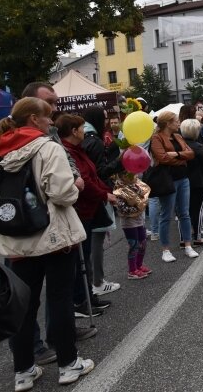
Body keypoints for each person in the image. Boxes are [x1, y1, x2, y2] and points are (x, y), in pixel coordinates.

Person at [0, 98, 95, 389]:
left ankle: (23, 372)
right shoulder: (47, 148)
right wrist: (75, 186)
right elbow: (63, 194)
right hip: (53, 237)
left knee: (23, 307)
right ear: (33, 119)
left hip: (17, 238)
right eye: (48, 117)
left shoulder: (1, 150)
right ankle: (68, 364)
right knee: (60, 299)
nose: (52, 122)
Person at [56, 114, 117, 319]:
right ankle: (81, 300)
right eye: (82, 128)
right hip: (80, 211)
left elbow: (92, 177)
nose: (85, 131)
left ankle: (87, 296)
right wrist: (104, 194)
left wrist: (105, 191)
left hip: (89, 210)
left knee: (85, 256)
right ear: (74, 131)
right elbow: (85, 183)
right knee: (80, 259)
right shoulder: (67, 151)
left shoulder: (78, 149)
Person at [81, 106, 123, 298]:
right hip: (97, 195)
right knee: (96, 240)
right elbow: (99, 172)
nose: (107, 122)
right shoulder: (95, 142)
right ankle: (97, 281)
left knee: (91, 242)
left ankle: (92, 282)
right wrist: (119, 161)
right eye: (105, 118)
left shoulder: (83, 138)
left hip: (87, 195)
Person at [149, 111, 198, 262]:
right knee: (166, 215)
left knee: (184, 213)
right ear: (168, 123)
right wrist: (181, 158)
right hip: (168, 180)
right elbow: (162, 158)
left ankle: (188, 245)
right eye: (176, 121)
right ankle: (166, 250)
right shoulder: (156, 138)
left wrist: (176, 155)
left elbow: (191, 154)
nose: (178, 123)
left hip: (183, 178)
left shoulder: (177, 136)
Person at [113, 173, 152, 280]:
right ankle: (132, 270)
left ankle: (139, 265)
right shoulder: (119, 189)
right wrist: (136, 209)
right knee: (134, 245)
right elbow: (121, 207)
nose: (133, 176)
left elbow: (143, 196)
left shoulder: (136, 185)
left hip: (139, 219)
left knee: (143, 243)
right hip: (129, 222)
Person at [181, 118, 203, 246]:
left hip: (182, 180)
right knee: (197, 210)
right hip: (199, 181)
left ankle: (184, 238)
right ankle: (198, 236)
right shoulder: (198, 147)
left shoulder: (179, 145)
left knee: (183, 211)